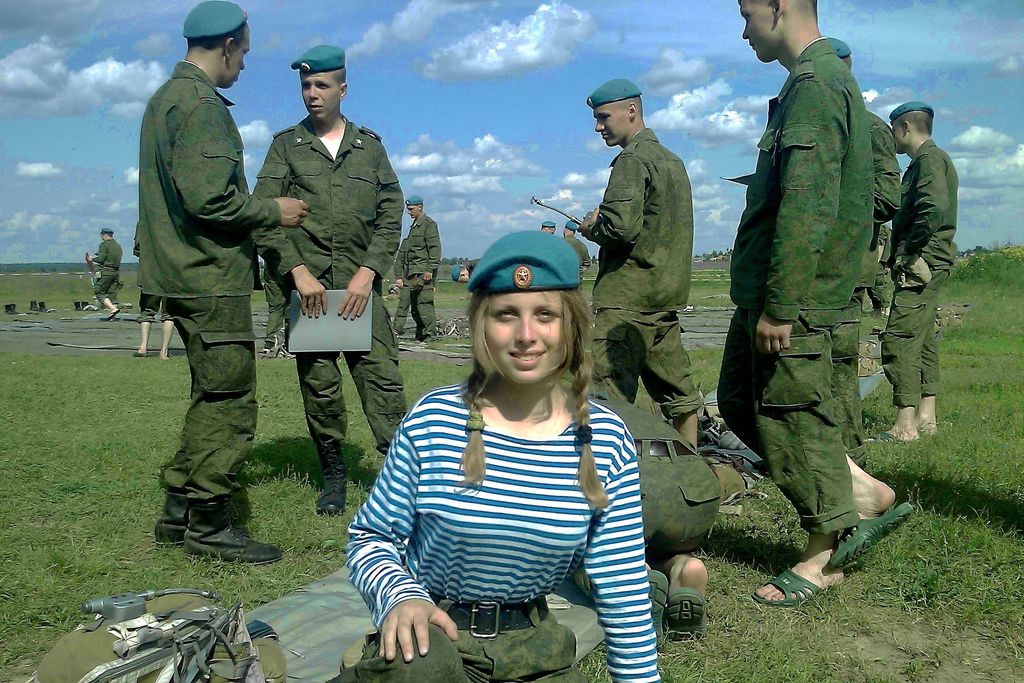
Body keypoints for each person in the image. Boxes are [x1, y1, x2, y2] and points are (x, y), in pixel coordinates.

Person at [338, 231, 660, 683]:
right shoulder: (434, 420)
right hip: (434, 639)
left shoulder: (605, 439)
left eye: (545, 314)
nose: (526, 335)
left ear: (570, 325)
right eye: (506, 315)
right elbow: (370, 537)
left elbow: (621, 582)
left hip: (534, 648)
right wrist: (400, 597)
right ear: (482, 326)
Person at [720, 0, 911, 605]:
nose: (744, 30)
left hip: (795, 295)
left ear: (778, 8)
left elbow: (808, 202)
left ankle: (824, 551)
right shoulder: (812, 82)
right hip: (771, 289)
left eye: (747, 14)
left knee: (792, 413)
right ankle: (859, 491)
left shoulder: (816, 85)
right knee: (739, 400)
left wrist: (782, 304)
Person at [141, 0, 311, 564]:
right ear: (230, 45)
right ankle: (210, 523)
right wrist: (273, 210)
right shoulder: (200, 106)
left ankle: (178, 509)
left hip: (183, 271)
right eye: (244, 53)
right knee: (229, 400)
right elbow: (210, 199)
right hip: (209, 275)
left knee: (208, 394)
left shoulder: (167, 99)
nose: (243, 65)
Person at [253, 45, 407, 515]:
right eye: (306, 85)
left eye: (321, 85)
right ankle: (334, 475)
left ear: (343, 89)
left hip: (361, 292)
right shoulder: (286, 146)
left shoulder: (370, 148)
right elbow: (263, 215)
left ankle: (402, 479)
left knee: (382, 382)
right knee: (320, 387)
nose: (312, 94)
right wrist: (298, 273)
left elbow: (390, 215)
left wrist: (368, 272)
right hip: (312, 293)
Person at [577, 78, 701, 448]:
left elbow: (620, 229)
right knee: (680, 394)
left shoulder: (632, 160)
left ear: (631, 111)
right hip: (664, 298)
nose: (598, 127)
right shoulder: (673, 161)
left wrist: (592, 227)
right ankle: (691, 465)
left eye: (603, 117)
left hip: (628, 301)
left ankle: (602, 474)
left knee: (605, 397)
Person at [827, 37, 901, 468]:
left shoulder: (870, 128)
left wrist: (827, 205)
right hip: (805, 265)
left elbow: (887, 198)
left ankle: (850, 456)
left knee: (839, 363)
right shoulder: (813, 121)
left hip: (845, 268)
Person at [877, 102, 959, 442]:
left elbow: (932, 207)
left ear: (905, 127)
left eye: (893, 129)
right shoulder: (928, 161)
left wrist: (910, 250)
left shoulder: (928, 161)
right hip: (930, 260)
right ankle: (926, 417)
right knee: (922, 339)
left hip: (922, 262)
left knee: (899, 338)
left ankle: (905, 425)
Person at [392, 196, 442, 342]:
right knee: (412, 306)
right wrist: (400, 275)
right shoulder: (414, 227)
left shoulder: (429, 225)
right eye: (408, 209)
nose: (409, 212)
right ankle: (418, 333)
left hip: (423, 273)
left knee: (424, 305)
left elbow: (434, 248)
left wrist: (430, 269)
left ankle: (430, 334)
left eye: (411, 209)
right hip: (411, 273)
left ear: (420, 207)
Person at [86, 228, 123, 319]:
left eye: (101, 235)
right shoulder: (118, 246)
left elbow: (101, 259)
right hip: (116, 272)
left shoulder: (104, 245)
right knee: (112, 293)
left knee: (99, 292)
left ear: (104, 235)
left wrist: (91, 259)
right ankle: (113, 314)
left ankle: (113, 309)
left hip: (106, 271)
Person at [259, 257, 291, 359]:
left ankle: (271, 342)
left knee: (275, 309)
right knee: (291, 307)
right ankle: (289, 341)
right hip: (291, 269)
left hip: (271, 269)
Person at [866, 224, 894, 318]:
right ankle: (878, 308)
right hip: (873, 258)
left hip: (876, 259)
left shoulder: (881, 228)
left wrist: (877, 262)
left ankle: (886, 307)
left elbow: (881, 244)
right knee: (870, 285)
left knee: (877, 284)